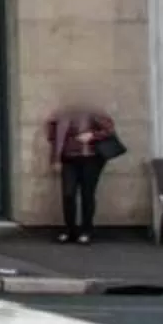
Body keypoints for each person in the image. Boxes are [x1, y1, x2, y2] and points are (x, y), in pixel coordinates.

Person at [44, 103, 117, 244]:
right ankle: (69, 229)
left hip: (90, 158)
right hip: (68, 158)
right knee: (68, 194)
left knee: (87, 194)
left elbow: (109, 130)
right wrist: (55, 159)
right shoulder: (60, 113)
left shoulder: (94, 110)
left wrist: (92, 135)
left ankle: (86, 230)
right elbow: (54, 138)